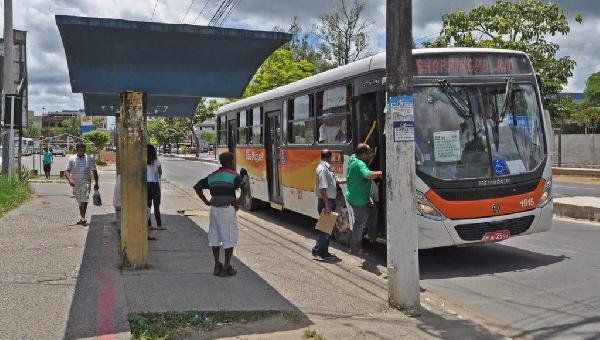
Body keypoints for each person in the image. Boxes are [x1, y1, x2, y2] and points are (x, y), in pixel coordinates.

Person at [193, 152, 247, 277]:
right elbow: (245, 187)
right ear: (231, 162)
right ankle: (226, 267)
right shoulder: (234, 175)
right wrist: (238, 202)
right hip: (227, 209)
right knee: (229, 236)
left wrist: (206, 201)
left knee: (215, 236)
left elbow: (197, 187)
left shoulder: (213, 175)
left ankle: (217, 265)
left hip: (214, 210)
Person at [345, 143, 383, 255]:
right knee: (360, 223)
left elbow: (363, 158)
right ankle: (355, 248)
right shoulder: (359, 164)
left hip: (358, 196)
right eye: (368, 153)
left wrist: (371, 157)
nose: (370, 155)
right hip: (359, 199)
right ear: (363, 154)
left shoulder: (353, 158)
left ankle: (372, 235)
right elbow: (368, 175)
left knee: (373, 210)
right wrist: (382, 172)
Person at [312, 149, 339, 260]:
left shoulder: (326, 168)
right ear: (330, 157)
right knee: (325, 229)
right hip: (326, 202)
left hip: (327, 201)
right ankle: (317, 250)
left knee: (327, 229)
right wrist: (327, 205)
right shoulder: (323, 169)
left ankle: (324, 252)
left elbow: (335, 181)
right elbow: (322, 189)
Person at [65, 143, 99, 225]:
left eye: (84, 150)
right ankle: (82, 217)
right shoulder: (72, 159)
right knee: (80, 201)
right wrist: (70, 180)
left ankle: (83, 217)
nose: (82, 152)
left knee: (85, 199)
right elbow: (66, 171)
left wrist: (96, 183)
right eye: (80, 150)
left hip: (86, 182)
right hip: (75, 183)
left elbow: (94, 171)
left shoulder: (89, 158)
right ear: (76, 150)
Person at [147, 144, 164, 236]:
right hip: (154, 184)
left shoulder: (142, 160)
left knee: (147, 206)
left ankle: (149, 225)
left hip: (145, 185)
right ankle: (159, 225)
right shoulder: (156, 160)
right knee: (156, 206)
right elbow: (160, 172)